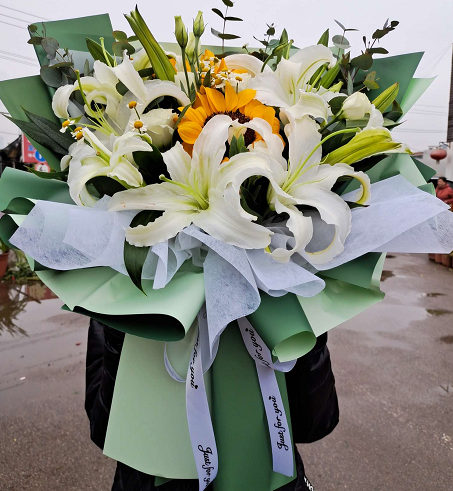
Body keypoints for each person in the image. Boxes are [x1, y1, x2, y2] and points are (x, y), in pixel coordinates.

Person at [85, 320, 339, 491]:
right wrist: (120, 329)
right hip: (149, 481)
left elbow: (315, 424)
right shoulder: (125, 289)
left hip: (268, 477)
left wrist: (308, 327)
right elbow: (104, 429)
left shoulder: (279, 292)